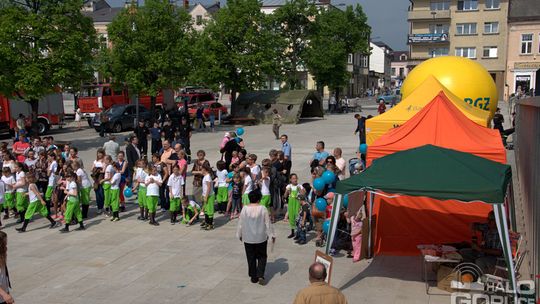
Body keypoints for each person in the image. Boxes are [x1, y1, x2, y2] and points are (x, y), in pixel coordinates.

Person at [236, 190, 275, 285]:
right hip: (261, 237)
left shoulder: (245, 209)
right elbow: (267, 223)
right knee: (262, 256)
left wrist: (239, 234)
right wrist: (271, 234)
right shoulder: (263, 208)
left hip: (248, 238)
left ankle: (253, 276)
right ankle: (260, 275)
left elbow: (240, 223)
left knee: (251, 257)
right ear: (259, 198)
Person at [285, 174, 305, 238]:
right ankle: (292, 232)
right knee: (291, 217)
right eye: (293, 178)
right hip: (291, 203)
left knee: (297, 217)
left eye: (296, 178)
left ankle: (298, 233)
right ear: (290, 180)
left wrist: (300, 191)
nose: (295, 180)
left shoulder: (299, 186)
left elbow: (303, 195)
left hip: (297, 203)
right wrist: (287, 191)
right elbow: (285, 196)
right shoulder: (289, 186)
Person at [0, 231, 14, 304]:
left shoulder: (2, 257)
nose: (6, 246)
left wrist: (7, 292)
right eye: (4, 244)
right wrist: (4, 294)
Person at [201, 164, 215, 230]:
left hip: (209, 196)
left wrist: (206, 196)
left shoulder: (207, 177)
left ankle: (210, 224)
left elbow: (209, 187)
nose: (201, 170)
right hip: (206, 195)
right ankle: (206, 223)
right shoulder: (205, 176)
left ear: (204, 169)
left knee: (210, 210)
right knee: (206, 210)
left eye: (201, 169)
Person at [91, 149, 106, 214]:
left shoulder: (104, 161)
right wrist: (96, 169)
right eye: (98, 153)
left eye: (100, 153)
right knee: (97, 193)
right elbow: (92, 169)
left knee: (101, 194)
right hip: (96, 179)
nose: (99, 154)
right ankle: (99, 207)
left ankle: (103, 206)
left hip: (102, 178)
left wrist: (97, 170)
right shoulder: (95, 161)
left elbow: (104, 170)